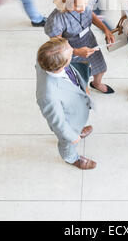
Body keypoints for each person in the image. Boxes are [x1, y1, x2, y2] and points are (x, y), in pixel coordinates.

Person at [44, 0, 115, 94]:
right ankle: (83, 91)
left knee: (101, 68)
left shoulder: (85, 0)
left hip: (89, 40)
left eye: (86, 4)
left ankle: (97, 83)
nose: (83, 9)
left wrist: (105, 29)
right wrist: (76, 52)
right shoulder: (56, 19)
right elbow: (58, 46)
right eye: (78, 6)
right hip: (69, 50)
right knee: (79, 78)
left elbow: (90, 14)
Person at [36, 37, 96, 170]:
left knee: (74, 132)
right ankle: (71, 158)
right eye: (70, 54)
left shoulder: (44, 56)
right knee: (67, 142)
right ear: (62, 64)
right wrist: (72, 136)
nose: (72, 50)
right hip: (69, 123)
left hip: (75, 107)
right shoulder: (48, 95)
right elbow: (59, 124)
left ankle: (79, 131)